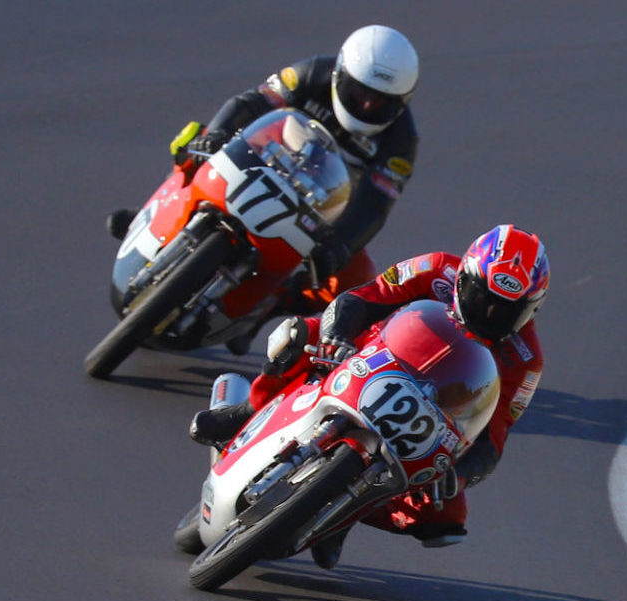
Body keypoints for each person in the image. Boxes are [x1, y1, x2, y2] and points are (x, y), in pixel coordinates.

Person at [189, 225, 549, 569]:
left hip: (431, 419)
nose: (487, 313)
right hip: (368, 358)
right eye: (481, 297)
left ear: (530, 309)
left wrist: (461, 475)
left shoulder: (526, 360)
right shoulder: (436, 268)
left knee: (447, 516)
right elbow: (364, 298)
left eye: (504, 310)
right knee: (297, 335)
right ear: (465, 277)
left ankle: (343, 516)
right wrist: (337, 334)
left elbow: (494, 437)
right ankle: (247, 410)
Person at [109, 25, 421, 334]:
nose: (367, 105)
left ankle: (274, 301)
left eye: (380, 101)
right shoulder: (312, 73)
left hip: (325, 206)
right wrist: (216, 135)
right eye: (360, 93)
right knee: (195, 137)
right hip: (271, 157)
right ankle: (158, 216)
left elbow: (375, 205)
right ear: (341, 76)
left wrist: (341, 245)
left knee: (357, 276)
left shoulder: (401, 142)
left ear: (402, 102)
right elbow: (251, 103)